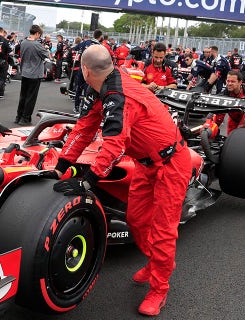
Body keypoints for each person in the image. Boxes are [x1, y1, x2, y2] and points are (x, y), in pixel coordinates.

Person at [49, 44, 191, 316]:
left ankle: (160, 288)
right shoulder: (103, 85)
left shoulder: (117, 94)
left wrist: (87, 181)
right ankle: (156, 262)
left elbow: (114, 146)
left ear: (85, 70)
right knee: (136, 220)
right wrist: (61, 167)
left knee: (163, 230)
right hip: (146, 163)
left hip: (171, 164)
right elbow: (84, 128)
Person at [14, 24, 49, 126]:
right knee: (31, 98)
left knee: (23, 96)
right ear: (37, 33)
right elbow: (46, 55)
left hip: (25, 72)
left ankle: (19, 116)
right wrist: (46, 48)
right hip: (35, 74)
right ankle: (25, 118)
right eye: (39, 35)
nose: (39, 37)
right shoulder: (37, 45)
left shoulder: (23, 42)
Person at [212, 70, 245, 135]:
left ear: (240, 82)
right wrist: (213, 128)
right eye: (228, 81)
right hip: (233, 121)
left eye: (233, 81)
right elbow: (219, 114)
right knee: (230, 142)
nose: (229, 84)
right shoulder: (224, 94)